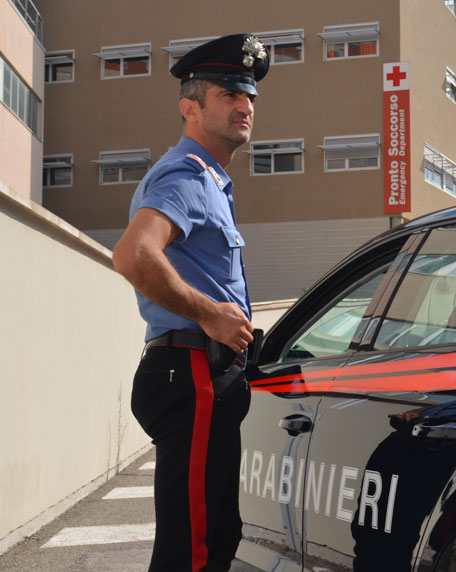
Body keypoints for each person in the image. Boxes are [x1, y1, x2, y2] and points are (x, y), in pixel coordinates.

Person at [112, 33, 269, 572]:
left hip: (207, 372)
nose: (244, 105)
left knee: (218, 535)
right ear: (190, 107)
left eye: (248, 96)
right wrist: (210, 314)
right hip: (193, 369)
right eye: (228, 94)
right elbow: (133, 254)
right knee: (193, 550)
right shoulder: (187, 175)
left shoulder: (213, 183)